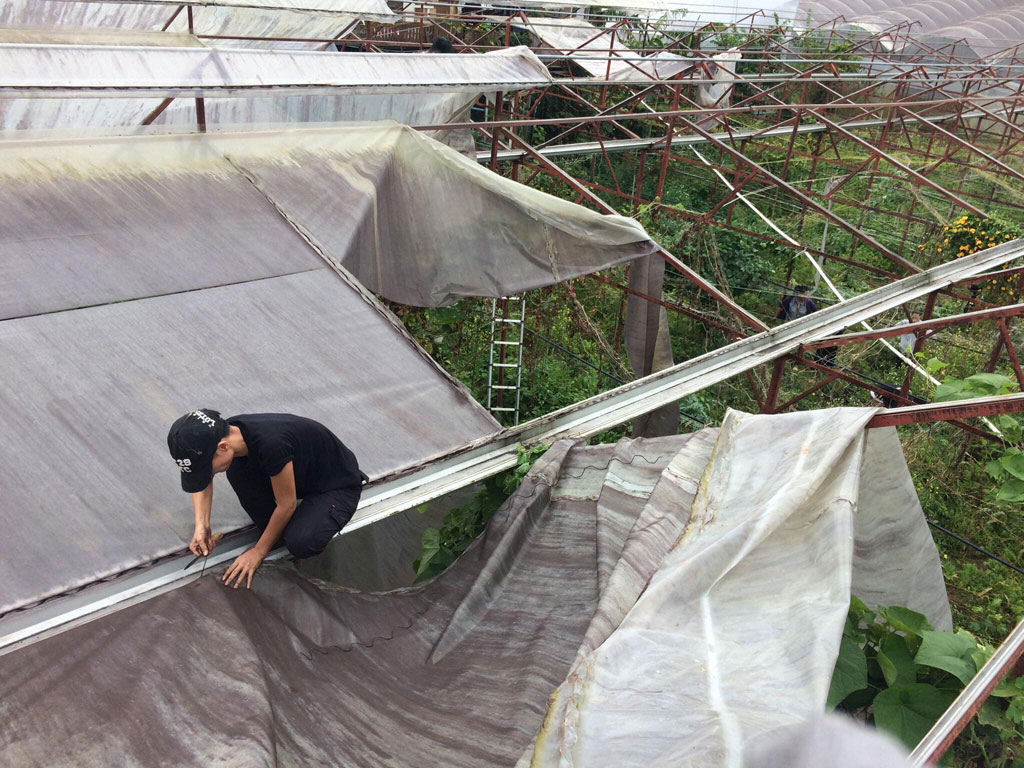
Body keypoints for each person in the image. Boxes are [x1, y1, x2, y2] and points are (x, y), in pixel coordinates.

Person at [167, 410, 366, 589]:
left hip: (335, 485)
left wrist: (259, 552)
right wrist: (201, 525)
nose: (206, 475)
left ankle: (297, 527)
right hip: (300, 474)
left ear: (223, 447)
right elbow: (203, 482)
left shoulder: (272, 443)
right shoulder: (226, 434)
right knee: (237, 470)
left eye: (205, 469)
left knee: (301, 541)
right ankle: (279, 534)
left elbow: (286, 505)